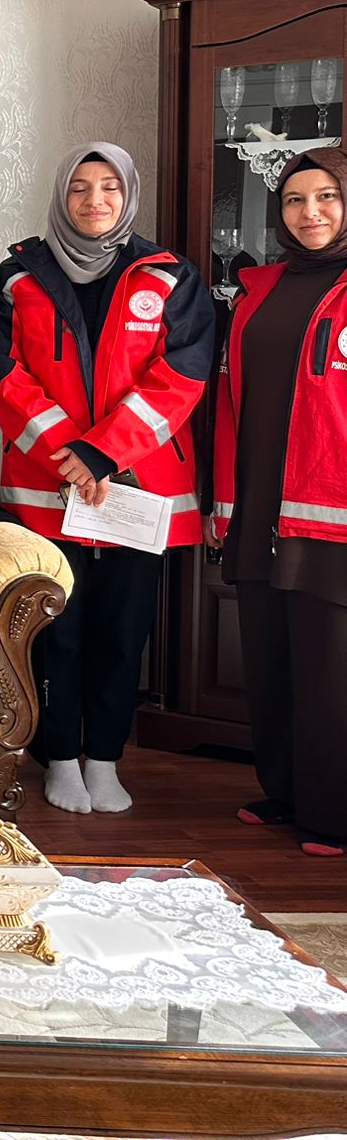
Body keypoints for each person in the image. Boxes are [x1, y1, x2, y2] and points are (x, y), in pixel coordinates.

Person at [0, 142, 211, 815]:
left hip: (137, 488)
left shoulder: (170, 277)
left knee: (124, 630)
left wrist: (104, 452)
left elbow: (182, 375)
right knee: (58, 630)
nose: (94, 200)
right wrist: (73, 455)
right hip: (47, 490)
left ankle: (104, 758)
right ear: (61, 196)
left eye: (110, 187)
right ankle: (58, 758)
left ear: (128, 194)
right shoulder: (15, 278)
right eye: (80, 187)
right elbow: (6, 378)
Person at [215, 148, 347, 858]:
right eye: (295, 200)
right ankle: (287, 791)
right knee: (270, 653)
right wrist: (226, 500)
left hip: (332, 507)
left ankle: (334, 814)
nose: (310, 212)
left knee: (329, 664)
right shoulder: (258, 291)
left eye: (326, 197)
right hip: (260, 502)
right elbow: (232, 401)